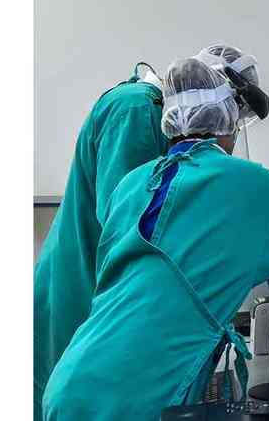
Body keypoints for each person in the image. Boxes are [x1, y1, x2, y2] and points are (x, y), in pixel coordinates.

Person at [42, 55, 269, 420]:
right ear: (229, 120)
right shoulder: (248, 180)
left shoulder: (132, 183)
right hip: (132, 398)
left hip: (71, 379)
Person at [33, 60, 169, 420]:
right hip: (82, 283)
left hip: (89, 275)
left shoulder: (142, 107)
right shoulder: (137, 109)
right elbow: (125, 218)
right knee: (69, 399)